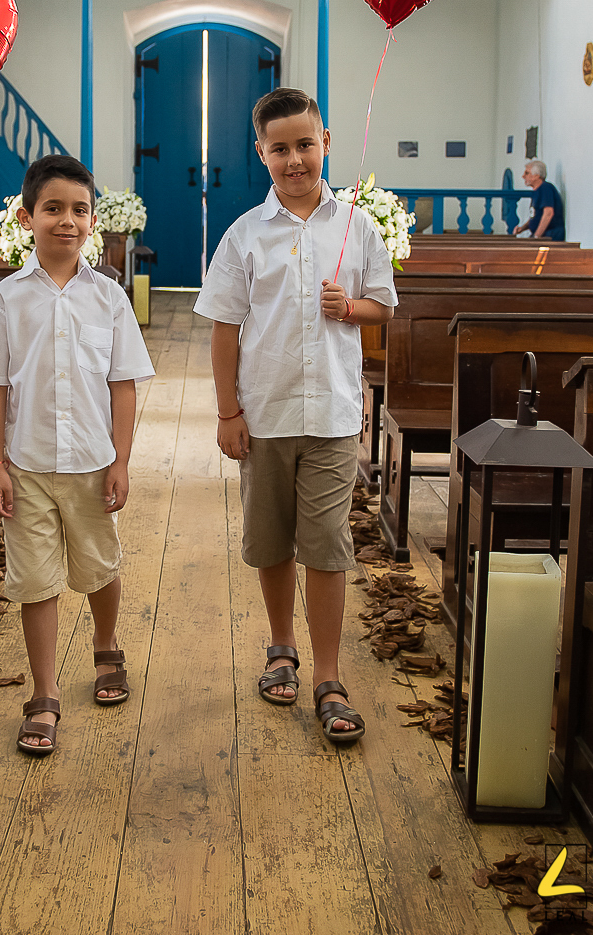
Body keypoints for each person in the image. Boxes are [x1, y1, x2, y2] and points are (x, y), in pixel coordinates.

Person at [193, 87, 397, 747]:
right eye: (279, 149)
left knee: (328, 547)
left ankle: (329, 679)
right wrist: (228, 411)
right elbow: (223, 328)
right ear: (260, 154)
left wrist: (351, 308)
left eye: (304, 144)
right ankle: (281, 646)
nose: (294, 160)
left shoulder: (355, 226)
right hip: (267, 410)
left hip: (334, 412)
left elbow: (383, 307)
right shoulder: (245, 235)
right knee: (271, 540)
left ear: (326, 142)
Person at [0, 154, 154, 756]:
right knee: (34, 578)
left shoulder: (110, 297)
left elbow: (123, 385)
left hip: (93, 462)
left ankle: (105, 646)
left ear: (92, 221)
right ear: (27, 217)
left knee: (99, 564)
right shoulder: (7, 300)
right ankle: (43, 692)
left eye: (79, 210)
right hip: (27, 465)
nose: (66, 221)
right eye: (53, 209)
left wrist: (120, 460)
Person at [513, 160, 566, 240]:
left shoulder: (545, 188)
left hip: (550, 235)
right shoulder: (537, 191)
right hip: (543, 235)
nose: (523, 176)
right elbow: (535, 216)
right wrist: (523, 228)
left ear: (537, 176)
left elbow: (548, 213)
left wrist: (537, 236)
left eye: (527, 173)